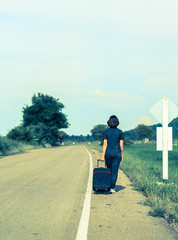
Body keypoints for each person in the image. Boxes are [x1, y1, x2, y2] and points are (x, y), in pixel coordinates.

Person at [101, 115, 124, 193]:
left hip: (108, 153)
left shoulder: (106, 132)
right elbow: (121, 145)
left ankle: (107, 186)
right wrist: (122, 155)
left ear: (109, 122)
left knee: (109, 170)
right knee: (115, 171)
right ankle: (113, 188)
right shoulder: (120, 132)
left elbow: (105, 144)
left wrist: (102, 156)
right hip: (117, 153)